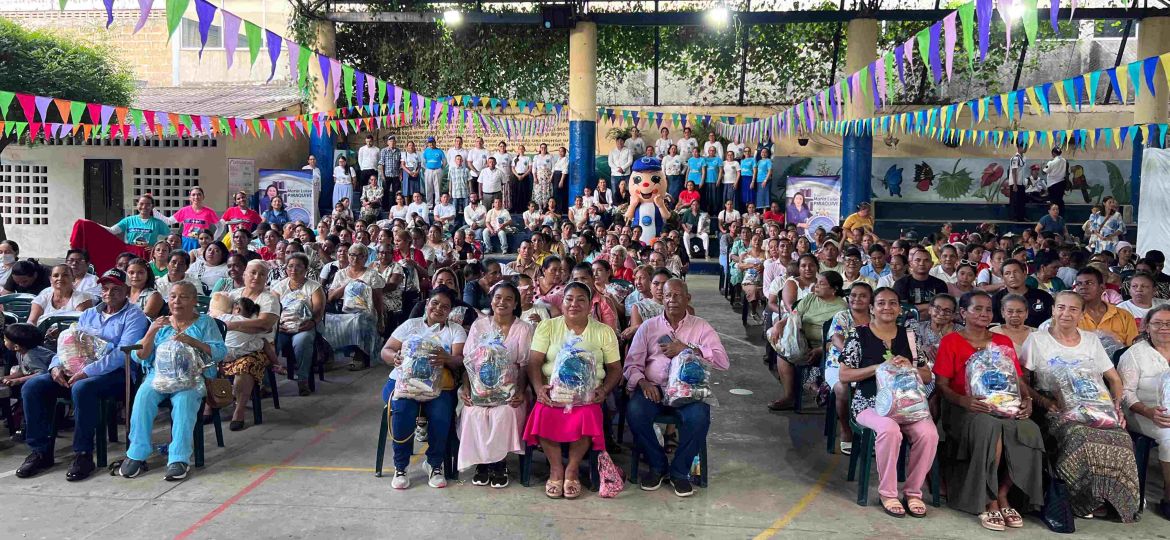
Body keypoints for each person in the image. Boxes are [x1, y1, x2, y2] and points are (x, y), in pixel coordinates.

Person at [15, 269, 149, 481]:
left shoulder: (134, 316)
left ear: (126, 290)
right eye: (105, 289)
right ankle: (40, 451)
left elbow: (121, 355)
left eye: (116, 289)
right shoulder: (89, 314)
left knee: (82, 388)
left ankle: (83, 453)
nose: (109, 293)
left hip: (116, 374)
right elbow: (69, 344)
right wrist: (56, 366)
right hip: (77, 370)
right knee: (33, 386)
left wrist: (86, 372)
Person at [1019, 290, 1140, 521]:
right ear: (1053, 310)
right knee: (1080, 436)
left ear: (1082, 314)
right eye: (1061, 307)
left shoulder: (1091, 340)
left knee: (1122, 438)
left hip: (1096, 405)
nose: (1066, 313)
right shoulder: (1037, 340)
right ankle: (1081, 498)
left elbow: (1114, 380)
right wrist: (1043, 401)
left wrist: (1116, 407)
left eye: (1073, 309)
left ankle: (1114, 499)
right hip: (1056, 406)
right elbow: (1023, 380)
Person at [934, 291, 1042, 531]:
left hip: (1004, 404)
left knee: (1030, 429)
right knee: (990, 427)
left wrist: (1026, 399)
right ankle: (989, 500)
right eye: (978, 309)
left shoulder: (1002, 342)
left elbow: (1017, 379)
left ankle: (1003, 494)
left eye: (988, 309)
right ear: (963, 313)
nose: (984, 314)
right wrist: (963, 401)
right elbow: (941, 386)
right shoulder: (951, 341)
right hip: (964, 409)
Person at [625, 278, 729, 497]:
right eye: (667, 295)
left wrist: (689, 348)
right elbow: (632, 364)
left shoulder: (701, 326)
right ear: (662, 298)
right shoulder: (649, 326)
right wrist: (643, 382)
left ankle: (680, 472)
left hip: (688, 391)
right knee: (635, 412)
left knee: (699, 418)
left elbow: (722, 361)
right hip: (655, 389)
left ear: (687, 298)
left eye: (677, 295)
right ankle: (658, 465)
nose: (672, 300)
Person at [841, 287, 939, 518]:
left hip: (908, 406)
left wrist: (910, 367)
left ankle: (913, 492)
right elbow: (844, 375)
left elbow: (927, 376)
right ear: (872, 308)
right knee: (889, 429)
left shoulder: (910, 337)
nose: (887, 307)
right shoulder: (858, 335)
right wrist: (878, 368)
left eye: (893, 303)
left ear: (899, 309)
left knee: (929, 433)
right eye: (881, 303)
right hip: (869, 403)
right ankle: (888, 493)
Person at [115, 281, 226, 481]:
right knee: (143, 397)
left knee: (184, 402)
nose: (177, 301)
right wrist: (151, 331)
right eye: (173, 296)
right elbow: (140, 356)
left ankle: (178, 458)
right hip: (159, 376)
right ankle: (137, 453)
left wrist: (193, 342)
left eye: (183, 297)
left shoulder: (206, 323)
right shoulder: (160, 324)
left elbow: (220, 352)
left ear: (194, 300)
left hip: (192, 377)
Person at [523, 281, 622, 500]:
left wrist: (604, 390)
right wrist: (539, 389)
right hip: (554, 391)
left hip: (587, 394)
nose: (574, 304)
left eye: (581, 300)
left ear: (590, 305)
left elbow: (615, 368)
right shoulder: (548, 326)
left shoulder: (603, 331)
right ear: (562, 302)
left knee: (587, 413)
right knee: (543, 411)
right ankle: (556, 469)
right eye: (569, 299)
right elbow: (534, 362)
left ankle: (572, 469)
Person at [380, 286, 466, 489]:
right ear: (427, 304)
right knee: (403, 410)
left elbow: (459, 360)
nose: (438, 309)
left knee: (441, 413)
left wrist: (446, 358)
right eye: (434, 303)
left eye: (445, 307)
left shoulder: (455, 330)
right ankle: (401, 466)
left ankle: (434, 464)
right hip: (404, 384)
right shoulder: (411, 325)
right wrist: (395, 357)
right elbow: (386, 350)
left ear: (450, 311)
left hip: (438, 387)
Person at [457, 281, 532, 488]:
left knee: (505, 413)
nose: (502, 302)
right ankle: (482, 463)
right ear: (491, 301)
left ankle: (499, 463)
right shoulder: (479, 326)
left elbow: (525, 365)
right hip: (479, 387)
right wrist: (467, 388)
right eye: (498, 298)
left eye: (508, 299)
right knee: (473, 411)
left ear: (515, 303)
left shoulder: (523, 328)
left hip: (510, 389)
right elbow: (469, 362)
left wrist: (520, 391)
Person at [1117, 304, 1170, 517]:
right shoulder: (1135, 355)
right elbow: (1126, 393)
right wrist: (1149, 412)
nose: (1164, 328)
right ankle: (1168, 497)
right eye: (1158, 323)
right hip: (1143, 412)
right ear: (1147, 326)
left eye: (1169, 323)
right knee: (1169, 435)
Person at [768, 270, 846, 411]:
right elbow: (794, 314)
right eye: (817, 282)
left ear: (834, 289)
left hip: (825, 348)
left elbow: (839, 338)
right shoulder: (810, 298)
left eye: (821, 284)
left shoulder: (842, 309)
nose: (816, 286)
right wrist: (779, 324)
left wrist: (820, 350)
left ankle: (817, 388)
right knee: (782, 354)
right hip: (802, 341)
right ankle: (789, 396)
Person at [221, 261, 280, 431]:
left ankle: (239, 410)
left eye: (262, 274)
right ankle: (211, 404)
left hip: (260, 346)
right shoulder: (233, 295)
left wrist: (233, 324)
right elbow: (216, 315)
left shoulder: (269, 299)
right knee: (207, 359)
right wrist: (248, 326)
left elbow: (264, 325)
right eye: (253, 272)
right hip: (228, 343)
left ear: (266, 278)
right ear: (245, 274)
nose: (256, 277)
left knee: (246, 365)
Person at [824, 282, 873, 455]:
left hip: (869, 364)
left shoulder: (876, 317)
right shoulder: (842, 316)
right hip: (839, 364)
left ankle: (873, 431)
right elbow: (837, 339)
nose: (857, 299)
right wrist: (857, 355)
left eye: (863, 296)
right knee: (843, 388)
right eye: (853, 295)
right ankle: (846, 429)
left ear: (871, 300)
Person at [323, 244, 386, 371]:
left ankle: (360, 356)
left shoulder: (371, 274)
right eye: (352, 255)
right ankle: (328, 356)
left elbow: (378, 299)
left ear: (365, 257)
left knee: (359, 319)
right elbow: (331, 297)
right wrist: (348, 285)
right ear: (348, 256)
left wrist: (381, 319)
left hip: (365, 310)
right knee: (325, 317)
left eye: (359, 256)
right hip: (341, 308)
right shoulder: (340, 274)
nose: (355, 258)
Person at [272, 253, 325, 396]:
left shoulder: (313, 287)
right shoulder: (279, 287)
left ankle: (303, 380)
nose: (293, 270)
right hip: (282, 328)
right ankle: (265, 383)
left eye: (298, 266)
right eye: (290, 266)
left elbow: (318, 311)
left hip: (305, 326)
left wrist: (312, 323)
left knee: (302, 341)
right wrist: (277, 325)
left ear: (306, 269)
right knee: (269, 342)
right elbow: (273, 310)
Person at [1073, 266, 1138, 347]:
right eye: (1079, 284)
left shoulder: (1124, 316)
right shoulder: (1071, 316)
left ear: (1102, 288)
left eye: (1089, 283)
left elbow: (1133, 348)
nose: (1083, 287)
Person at [988, 259, 1053, 328]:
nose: (1012, 276)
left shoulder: (1044, 297)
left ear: (1024, 274)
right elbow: (993, 326)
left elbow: (1052, 322)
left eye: (1016, 272)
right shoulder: (996, 300)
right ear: (1002, 277)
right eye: (1007, 273)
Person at [28, 264, 93, 326]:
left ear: (73, 278)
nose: (60, 278)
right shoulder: (41, 299)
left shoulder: (83, 298)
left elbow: (82, 323)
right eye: (56, 275)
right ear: (50, 279)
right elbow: (31, 322)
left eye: (65, 275)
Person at [104, 195, 170, 247]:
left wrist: (156, 248)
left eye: (148, 204)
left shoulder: (158, 223)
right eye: (141, 204)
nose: (144, 207)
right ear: (137, 204)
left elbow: (170, 238)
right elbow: (112, 231)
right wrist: (97, 225)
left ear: (152, 206)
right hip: (131, 254)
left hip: (149, 255)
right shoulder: (128, 220)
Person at [167, 188, 219, 252]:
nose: (196, 197)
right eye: (193, 195)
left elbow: (220, 227)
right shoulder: (184, 210)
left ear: (203, 197)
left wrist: (213, 238)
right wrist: (156, 213)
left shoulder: (209, 212)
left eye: (199, 194)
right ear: (190, 198)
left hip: (202, 242)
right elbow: (168, 221)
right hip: (186, 242)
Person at [422, 137, 446, 209]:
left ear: (435, 143)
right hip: (429, 170)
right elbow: (423, 162)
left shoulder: (439, 151)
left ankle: (437, 204)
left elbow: (444, 162)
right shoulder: (426, 151)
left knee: (437, 188)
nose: (431, 144)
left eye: (432, 143)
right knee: (428, 188)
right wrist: (427, 169)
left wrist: (440, 168)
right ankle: (429, 205)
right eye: (429, 143)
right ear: (428, 144)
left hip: (437, 170)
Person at [1042, 147, 1068, 215]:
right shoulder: (1064, 161)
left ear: (1053, 153)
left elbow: (1044, 172)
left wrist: (1043, 166)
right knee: (1060, 201)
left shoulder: (1051, 162)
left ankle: (1054, 216)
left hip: (1053, 185)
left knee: (1053, 203)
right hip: (1061, 184)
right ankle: (1061, 216)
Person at [378, 135, 403, 205]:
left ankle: (395, 206)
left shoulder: (398, 151)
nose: (392, 143)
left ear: (395, 143)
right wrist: (382, 175)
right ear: (388, 142)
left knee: (396, 192)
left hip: (396, 175)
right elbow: (382, 163)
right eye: (391, 141)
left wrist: (400, 174)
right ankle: (385, 207)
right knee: (385, 191)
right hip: (387, 175)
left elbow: (400, 164)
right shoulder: (384, 151)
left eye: (393, 141)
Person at [1007, 144, 1027, 222]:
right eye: (1024, 147)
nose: (1025, 148)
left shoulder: (1024, 158)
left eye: (1026, 147)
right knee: (1015, 201)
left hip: (1021, 183)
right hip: (1015, 182)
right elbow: (1014, 172)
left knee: (1021, 201)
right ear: (1019, 147)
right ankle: (1013, 217)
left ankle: (1021, 217)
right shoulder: (1015, 158)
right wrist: (1015, 184)